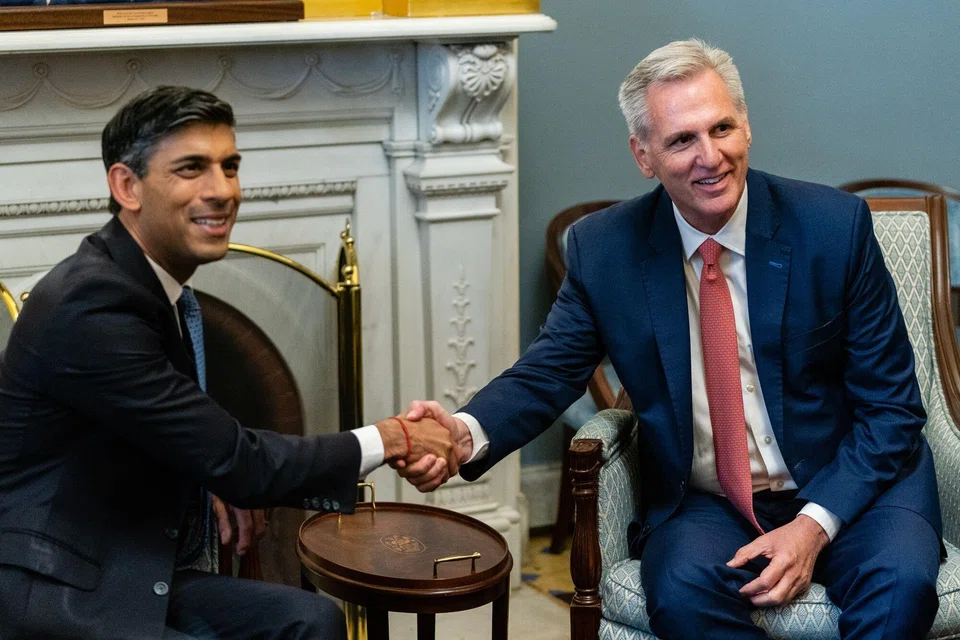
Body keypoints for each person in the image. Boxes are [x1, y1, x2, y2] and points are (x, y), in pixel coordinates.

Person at [400, 39, 943, 638]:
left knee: (900, 586)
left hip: (855, 481)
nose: (710, 156)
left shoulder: (832, 228)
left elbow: (892, 410)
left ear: (747, 127)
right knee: (681, 593)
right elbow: (548, 372)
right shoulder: (604, 251)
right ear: (643, 155)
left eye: (722, 128)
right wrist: (462, 431)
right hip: (710, 501)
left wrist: (813, 525)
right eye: (682, 140)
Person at [0, 86, 460, 640]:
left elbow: (182, 435)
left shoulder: (145, 285)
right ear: (127, 186)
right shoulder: (92, 306)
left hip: (123, 567)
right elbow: (238, 460)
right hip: (56, 592)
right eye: (192, 169)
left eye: (230, 166)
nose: (222, 191)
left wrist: (206, 474)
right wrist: (391, 439)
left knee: (312, 619)